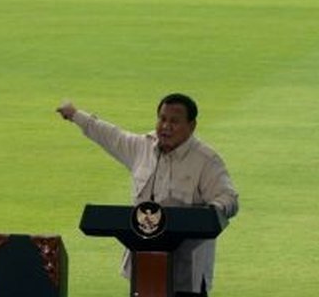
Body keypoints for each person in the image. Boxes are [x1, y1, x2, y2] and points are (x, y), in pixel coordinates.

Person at [57, 93, 239, 297]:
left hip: (187, 276)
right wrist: (75, 115)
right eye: (162, 118)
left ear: (192, 125)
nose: (166, 126)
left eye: (174, 121)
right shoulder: (142, 147)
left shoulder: (206, 160)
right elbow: (111, 135)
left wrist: (213, 211)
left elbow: (229, 198)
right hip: (144, 270)